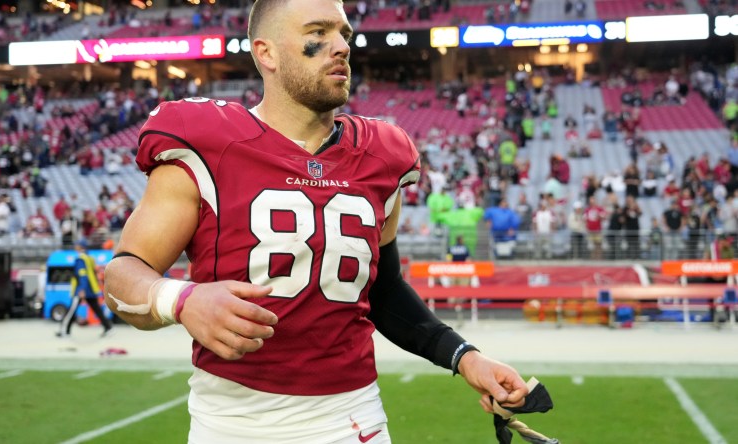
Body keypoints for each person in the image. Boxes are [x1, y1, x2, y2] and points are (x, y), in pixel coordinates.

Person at [104, 0, 530, 442]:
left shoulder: (383, 154)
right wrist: (182, 300)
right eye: (318, 33)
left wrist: (465, 357)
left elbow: (383, 291)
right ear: (266, 53)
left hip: (355, 419)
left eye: (344, 33)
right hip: (234, 425)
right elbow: (122, 275)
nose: (340, 46)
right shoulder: (208, 143)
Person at [57, 239, 113, 337]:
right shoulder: (90, 258)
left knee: (71, 310)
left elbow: (82, 275)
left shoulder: (80, 259)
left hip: (81, 290)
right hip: (91, 289)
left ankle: (64, 331)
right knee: (97, 310)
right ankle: (108, 328)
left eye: (77, 245)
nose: (75, 246)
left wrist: (82, 289)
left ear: (80, 247)